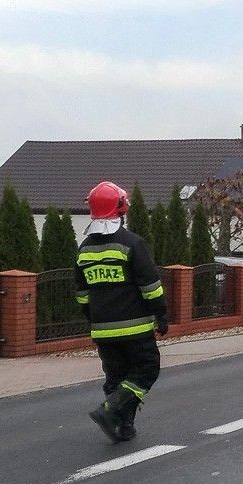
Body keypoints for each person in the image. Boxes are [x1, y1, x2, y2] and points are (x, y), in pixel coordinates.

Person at [75, 181, 168, 442]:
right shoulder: (133, 244)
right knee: (146, 370)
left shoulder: (84, 250)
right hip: (135, 327)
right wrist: (160, 315)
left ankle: (124, 426)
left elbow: (81, 294)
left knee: (117, 377)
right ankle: (109, 410)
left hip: (102, 329)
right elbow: (151, 287)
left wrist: (94, 319)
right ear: (120, 209)